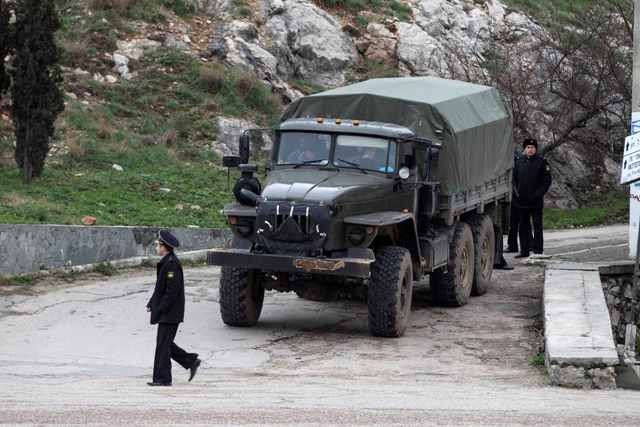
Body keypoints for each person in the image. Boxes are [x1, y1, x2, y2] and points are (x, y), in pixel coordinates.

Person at [146, 230, 201, 386]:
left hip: (170, 313)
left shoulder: (171, 264)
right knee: (165, 344)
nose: (156, 247)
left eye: (157, 244)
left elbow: (171, 292)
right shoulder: (167, 262)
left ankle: (163, 379)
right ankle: (191, 361)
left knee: (163, 345)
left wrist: (161, 308)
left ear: (165, 247)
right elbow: (161, 289)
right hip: (168, 311)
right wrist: (152, 302)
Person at [513, 138, 552, 258]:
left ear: (536, 149)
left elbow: (546, 181)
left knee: (537, 226)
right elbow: (514, 180)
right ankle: (524, 250)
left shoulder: (541, 162)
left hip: (535, 201)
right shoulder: (519, 162)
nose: (530, 150)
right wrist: (516, 194)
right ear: (524, 149)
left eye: (532, 148)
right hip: (522, 201)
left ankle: (538, 250)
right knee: (523, 226)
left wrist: (537, 194)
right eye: (528, 148)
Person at [506, 149, 523, 253]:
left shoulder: (516, 163)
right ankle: (523, 246)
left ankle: (513, 246)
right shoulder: (520, 160)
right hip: (519, 197)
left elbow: (514, 183)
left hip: (518, 198)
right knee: (517, 223)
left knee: (515, 223)